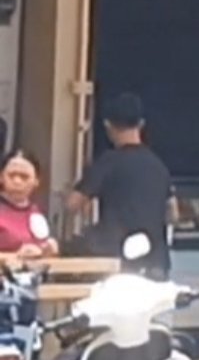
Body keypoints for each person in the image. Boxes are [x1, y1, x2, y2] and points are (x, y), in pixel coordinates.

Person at [66, 93, 177, 279]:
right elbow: (173, 214)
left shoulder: (107, 162)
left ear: (108, 126)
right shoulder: (159, 166)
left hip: (115, 258)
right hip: (156, 262)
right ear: (141, 124)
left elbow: (72, 204)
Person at [0, 149, 59, 258]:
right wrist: (16, 256)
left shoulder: (38, 213)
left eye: (24, 177)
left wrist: (48, 251)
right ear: (1, 177)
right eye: (11, 175)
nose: (17, 181)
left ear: (36, 181)